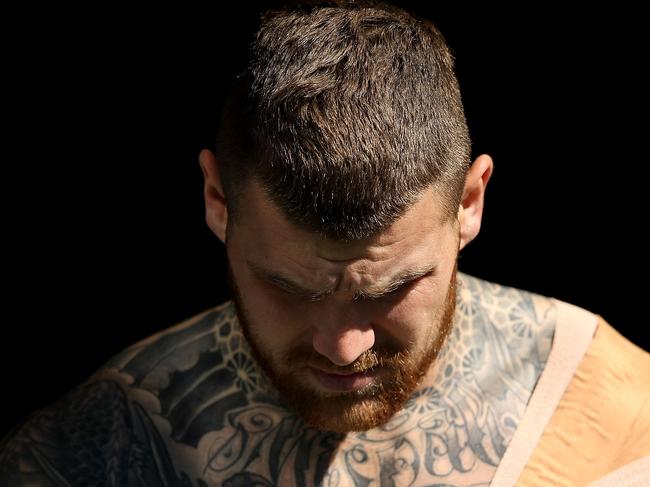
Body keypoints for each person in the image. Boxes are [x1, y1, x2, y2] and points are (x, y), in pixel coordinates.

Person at [1, 1, 648, 486]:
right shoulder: (81, 455)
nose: (343, 346)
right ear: (216, 201)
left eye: (393, 288)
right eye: (288, 287)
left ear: (470, 203)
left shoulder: (620, 413)